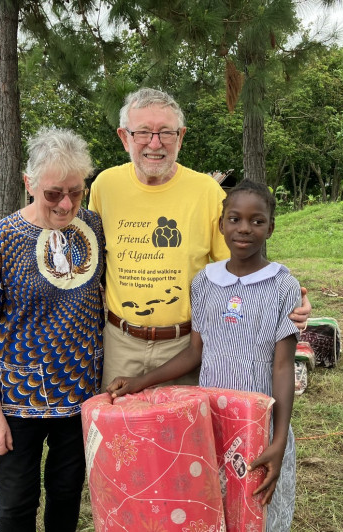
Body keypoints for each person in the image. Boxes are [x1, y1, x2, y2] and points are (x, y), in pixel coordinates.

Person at [107, 179, 300, 531]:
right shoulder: (204, 283)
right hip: (210, 422)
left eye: (257, 221)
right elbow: (196, 352)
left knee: (259, 509)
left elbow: (283, 366)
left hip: (261, 425)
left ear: (271, 227)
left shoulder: (282, 285)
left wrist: (280, 438)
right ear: (221, 224)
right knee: (214, 503)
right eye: (235, 219)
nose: (245, 229)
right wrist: (139, 381)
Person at [88, 87, 310, 390]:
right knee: (124, 434)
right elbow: (94, 261)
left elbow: (241, 265)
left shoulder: (206, 192)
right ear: (124, 137)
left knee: (185, 433)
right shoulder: (105, 186)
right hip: (120, 343)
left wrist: (286, 299)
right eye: (143, 132)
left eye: (166, 133)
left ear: (180, 137)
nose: (155, 143)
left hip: (187, 346)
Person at [0, 128, 105, 532]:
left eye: (76, 191)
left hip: (80, 394)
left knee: (67, 496)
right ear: (29, 184)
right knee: (17, 502)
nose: (67, 203)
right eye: (54, 193)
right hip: (18, 400)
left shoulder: (92, 227)